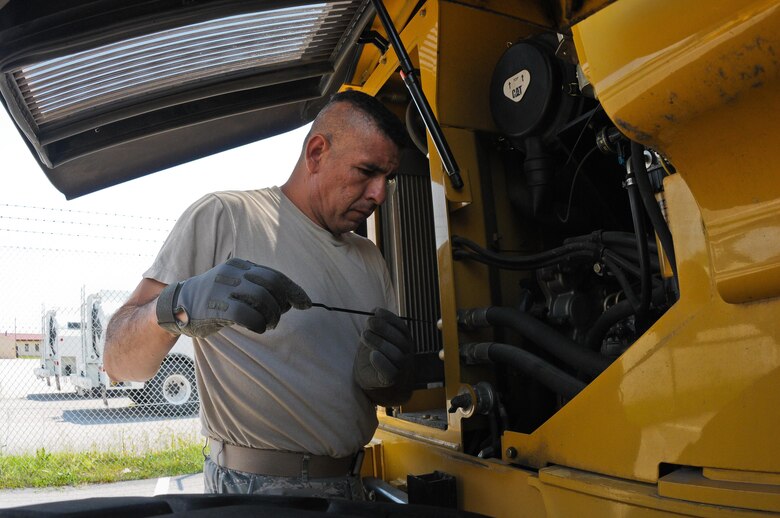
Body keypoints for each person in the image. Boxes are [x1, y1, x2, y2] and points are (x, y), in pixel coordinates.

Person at [104, 90, 416, 499]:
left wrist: (389, 383)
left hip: (350, 487)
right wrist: (176, 305)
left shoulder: (370, 257)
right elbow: (118, 361)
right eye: (367, 171)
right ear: (317, 153)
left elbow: (384, 394)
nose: (380, 194)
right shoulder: (226, 217)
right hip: (253, 492)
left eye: (387, 178)